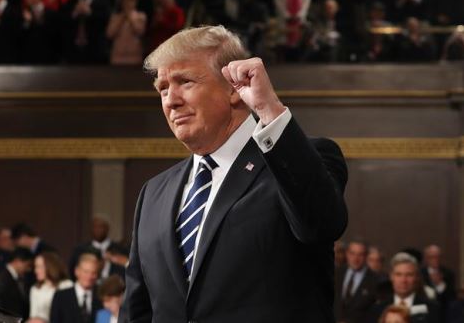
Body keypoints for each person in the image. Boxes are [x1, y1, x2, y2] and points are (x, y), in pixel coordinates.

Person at [122, 25, 348, 322]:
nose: (170, 100)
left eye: (185, 81)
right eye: (163, 88)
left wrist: (269, 110)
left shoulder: (300, 160)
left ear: (233, 88)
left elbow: (322, 224)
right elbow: (138, 312)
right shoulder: (153, 192)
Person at [367, 252, 439, 323]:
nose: (403, 280)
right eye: (398, 274)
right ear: (391, 276)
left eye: (409, 275)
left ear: (416, 277)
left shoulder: (432, 309)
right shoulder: (377, 309)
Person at [335, 240, 379, 323]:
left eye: (360, 254)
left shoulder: (375, 280)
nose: (356, 258)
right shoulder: (336, 274)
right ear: (347, 254)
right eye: (352, 253)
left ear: (366, 256)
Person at [50, 253, 102, 323]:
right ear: (77, 271)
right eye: (86, 272)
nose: (89, 276)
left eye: (93, 273)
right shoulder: (61, 297)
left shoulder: (102, 297)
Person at [106, 0, 146, 65]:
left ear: (136, 2)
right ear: (122, 2)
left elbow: (140, 32)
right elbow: (110, 34)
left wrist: (129, 17)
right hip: (117, 56)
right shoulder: (115, 17)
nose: (128, 3)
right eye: (126, 0)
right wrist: (122, 18)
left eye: (131, 0)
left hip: (134, 55)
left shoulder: (141, 16)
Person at [29, 252, 73, 321]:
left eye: (39, 267)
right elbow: (33, 316)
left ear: (50, 266)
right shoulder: (35, 289)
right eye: (35, 267)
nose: (36, 270)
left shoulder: (66, 285)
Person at [0, 247, 33, 319]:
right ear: (17, 261)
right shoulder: (2, 279)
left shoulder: (22, 279)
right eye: (28, 265)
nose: (29, 270)